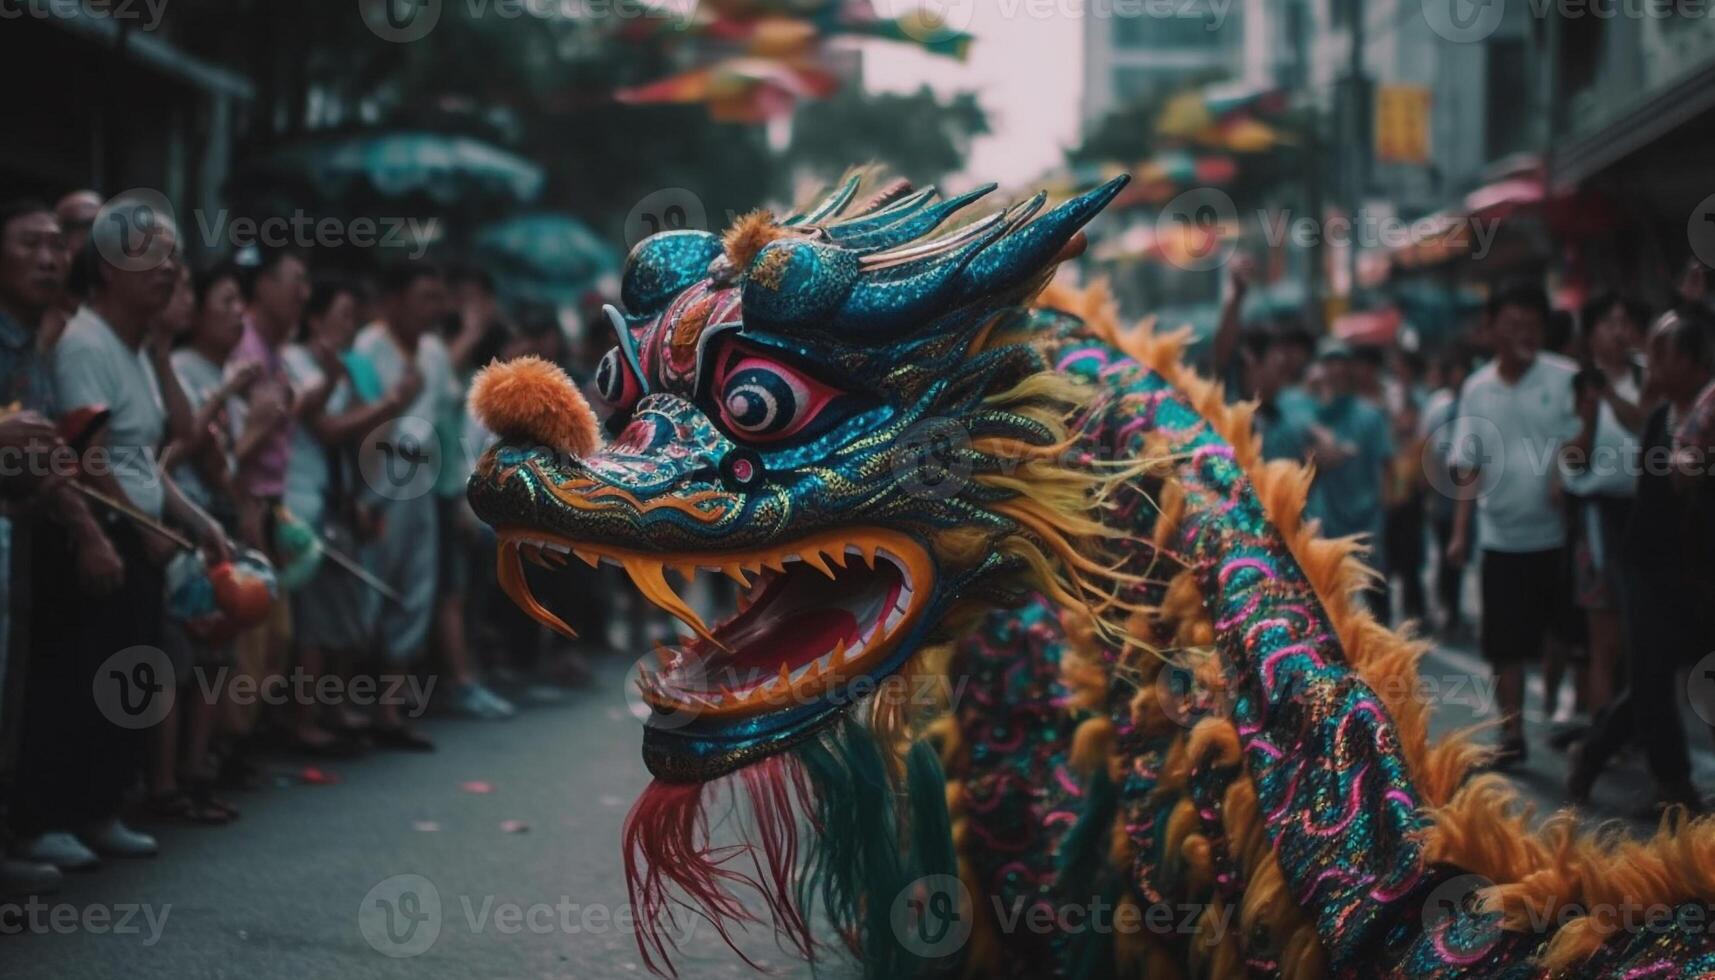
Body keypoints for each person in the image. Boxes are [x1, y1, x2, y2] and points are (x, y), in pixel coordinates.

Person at [12, 200, 229, 870]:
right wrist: (119, 529)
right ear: (105, 269)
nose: (167, 270)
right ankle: (49, 814)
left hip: (141, 535)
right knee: (75, 681)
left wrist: (195, 518)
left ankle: (100, 808)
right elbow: (87, 454)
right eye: (149, 255)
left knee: (126, 681)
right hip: (100, 533)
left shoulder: (136, 350)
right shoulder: (84, 344)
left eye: (170, 256)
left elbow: (146, 457)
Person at [0, 200, 122, 895]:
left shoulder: (33, 344)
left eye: (57, 245)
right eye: (31, 244)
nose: (51, 257)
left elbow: (43, 454)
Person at [1568, 309, 1714, 815]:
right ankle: (1674, 785)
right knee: (1653, 676)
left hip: (1695, 570)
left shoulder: (1706, 413)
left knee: (1662, 673)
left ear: (1692, 362)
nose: (1649, 362)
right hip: (1647, 565)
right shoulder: (1661, 417)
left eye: (1660, 353)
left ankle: (1595, 747)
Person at [1447, 283, 1580, 767]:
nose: (1522, 333)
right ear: (1491, 330)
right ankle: (1512, 734)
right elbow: (1468, 463)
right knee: (1504, 645)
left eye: (1531, 324)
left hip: (1559, 535)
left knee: (1565, 634)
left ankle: (1574, 719)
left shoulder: (1566, 378)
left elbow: (1582, 436)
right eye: (1511, 324)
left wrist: (1564, 472)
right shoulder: (1477, 388)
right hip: (1500, 537)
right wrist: (1461, 533)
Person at [281, 279, 418, 747]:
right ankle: (303, 720)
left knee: (342, 608)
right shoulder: (297, 363)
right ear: (315, 319)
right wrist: (392, 402)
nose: (348, 324)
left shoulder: (340, 365)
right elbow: (326, 429)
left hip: (337, 496)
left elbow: (362, 428)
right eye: (339, 315)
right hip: (300, 498)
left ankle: (332, 708)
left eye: (351, 316)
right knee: (315, 620)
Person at [351, 262, 459, 750]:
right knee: (371, 587)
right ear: (395, 300)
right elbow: (359, 421)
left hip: (422, 475)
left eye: (439, 297)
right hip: (378, 472)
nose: (435, 308)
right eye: (425, 297)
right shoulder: (367, 348)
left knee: (417, 587)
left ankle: (389, 709)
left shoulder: (434, 351)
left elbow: (443, 417)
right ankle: (349, 702)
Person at [1559, 294, 1648, 717]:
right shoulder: (1575, 384)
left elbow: (1647, 425)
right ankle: (1602, 732)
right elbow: (1572, 457)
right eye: (1610, 323)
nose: (1619, 332)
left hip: (1646, 517)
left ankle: (1633, 728)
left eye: (1627, 322)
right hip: (1597, 521)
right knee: (1604, 639)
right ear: (1591, 333)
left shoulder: (1649, 377)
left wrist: (1609, 393)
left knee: (1644, 637)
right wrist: (1591, 414)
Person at [1304, 339, 1394, 619]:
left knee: (1375, 596)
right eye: (1329, 363)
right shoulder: (1310, 415)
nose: (1335, 370)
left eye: (1341, 363)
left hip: (1366, 520)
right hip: (1327, 521)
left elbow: (1386, 464)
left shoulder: (1370, 416)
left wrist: (1385, 510)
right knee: (1332, 601)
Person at [1421, 345, 1474, 641]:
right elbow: (1427, 445)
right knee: (1445, 550)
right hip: (1442, 487)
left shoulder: (1475, 403)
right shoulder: (1438, 405)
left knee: (1462, 550)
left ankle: (1454, 609)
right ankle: (1446, 606)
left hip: (1467, 488)